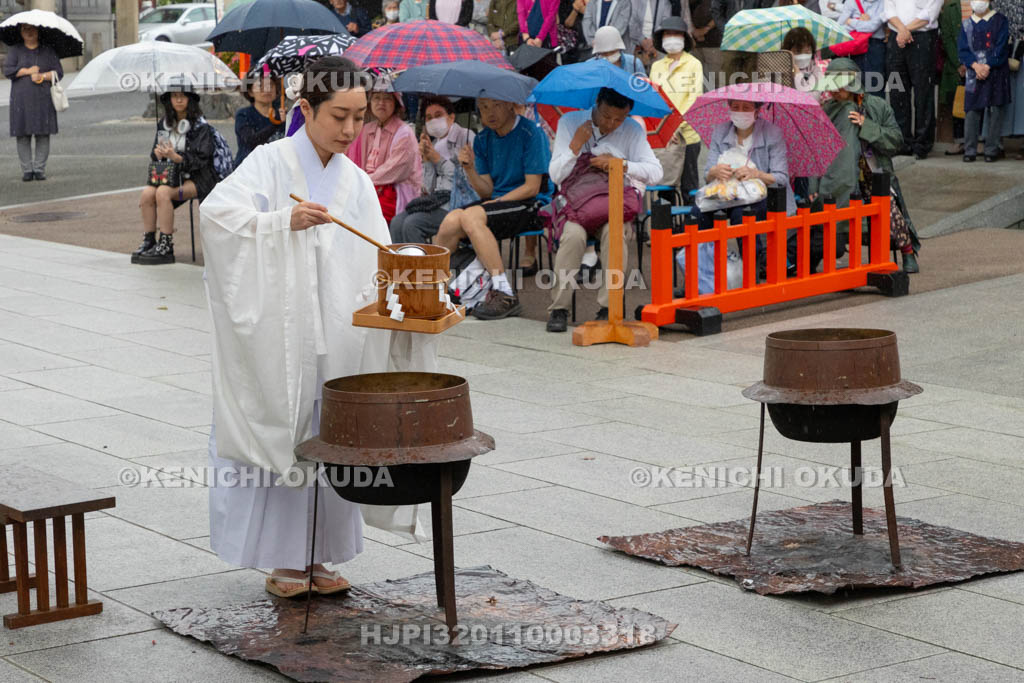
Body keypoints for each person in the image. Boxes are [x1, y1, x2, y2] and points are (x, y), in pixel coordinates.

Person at [200, 56, 433, 598]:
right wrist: (281, 222)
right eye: (338, 116)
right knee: (290, 431)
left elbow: (378, 253)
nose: (350, 130)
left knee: (335, 431)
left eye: (359, 117)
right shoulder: (271, 161)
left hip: (341, 330)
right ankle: (284, 559)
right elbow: (219, 217)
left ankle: (322, 554)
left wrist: (413, 292)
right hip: (284, 328)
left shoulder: (353, 178)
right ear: (305, 109)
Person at [546, 88, 662, 332]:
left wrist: (620, 164)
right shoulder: (570, 122)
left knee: (616, 233)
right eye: (606, 116)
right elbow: (556, 175)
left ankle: (609, 307)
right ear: (596, 104)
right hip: (578, 204)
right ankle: (559, 308)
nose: (611, 124)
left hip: (613, 202)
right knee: (572, 237)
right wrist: (575, 147)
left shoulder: (632, 129)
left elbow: (655, 172)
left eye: (618, 119)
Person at [433, 97, 552, 320]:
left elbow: (532, 187)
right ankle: (436, 286)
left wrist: (497, 202)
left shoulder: (531, 133)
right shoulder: (484, 138)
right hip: (498, 202)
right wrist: (470, 169)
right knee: (452, 220)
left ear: (509, 104)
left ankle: (505, 292)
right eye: (483, 108)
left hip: (531, 204)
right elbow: (486, 190)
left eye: (496, 105)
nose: (490, 113)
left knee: (471, 217)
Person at [808, 58, 920, 272]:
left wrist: (866, 126)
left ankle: (907, 252)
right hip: (839, 174)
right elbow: (817, 151)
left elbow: (896, 140)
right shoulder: (827, 110)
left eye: (838, 86)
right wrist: (814, 186)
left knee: (891, 213)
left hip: (872, 172)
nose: (834, 92)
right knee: (828, 220)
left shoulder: (877, 106)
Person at [134, 89, 219, 266]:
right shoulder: (164, 124)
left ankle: (166, 245)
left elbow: (202, 160)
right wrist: (158, 154)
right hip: (171, 177)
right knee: (147, 194)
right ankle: (149, 240)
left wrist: (177, 158)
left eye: (183, 96)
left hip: (198, 179)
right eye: (174, 96)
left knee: (163, 193)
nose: (179, 100)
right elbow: (154, 154)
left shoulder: (200, 127)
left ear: (190, 99)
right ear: (169, 100)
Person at [390, 96, 475, 243]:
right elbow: (428, 189)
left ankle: (422, 265)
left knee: (412, 224)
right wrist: (427, 160)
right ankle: (402, 264)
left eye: (438, 115)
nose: (433, 121)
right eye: (429, 118)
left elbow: (463, 180)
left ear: (451, 116)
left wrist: (437, 159)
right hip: (435, 202)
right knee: (397, 222)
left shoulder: (465, 136)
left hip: (458, 203)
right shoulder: (434, 143)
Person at [346, 81, 423, 224]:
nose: (381, 103)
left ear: (395, 104)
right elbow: (352, 161)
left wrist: (363, 183)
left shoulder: (404, 133)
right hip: (369, 188)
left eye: (387, 98)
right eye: (376, 98)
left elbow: (394, 171)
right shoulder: (366, 130)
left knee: (362, 213)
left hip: (394, 192)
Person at [649, 17, 704, 199]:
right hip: (665, 136)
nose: (671, 37)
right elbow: (654, 99)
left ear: (684, 38)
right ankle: (668, 227)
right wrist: (665, 128)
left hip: (687, 134)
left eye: (676, 34)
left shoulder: (694, 64)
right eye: (667, 34)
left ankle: (691, 225)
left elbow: (694, 98)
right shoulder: (657, 66)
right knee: (666, 187)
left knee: (689, 187)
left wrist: (675, 126)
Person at [3, 24, 62, 182]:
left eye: (32, 29)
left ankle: (39, 169)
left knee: (43, 134)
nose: (29, 32)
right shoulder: (15, 50)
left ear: (38, 31)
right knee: (22, 135)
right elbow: (8, 70)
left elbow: (58, 72)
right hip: (20, 99)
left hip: (43, 98)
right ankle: (27, 170)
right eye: (25, 29)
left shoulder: (48, 50)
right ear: (21, 33)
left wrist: (42, 76)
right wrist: (28, 71)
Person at [884, 0, 943, 159]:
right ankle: (902, 141)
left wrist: (905, 30)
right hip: (896, 39)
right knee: (897, 91)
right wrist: (902, 31)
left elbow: (930, 13)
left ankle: (922, 144)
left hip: (923, 38)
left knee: (923, 92)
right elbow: (889, 11)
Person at [959, 0, 1012, 163]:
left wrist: (988, 65)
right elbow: (963, 50)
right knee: (972, 110)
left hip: (996, 72)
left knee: (996, 109)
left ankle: (992, 149)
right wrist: (975, 66)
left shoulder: (1000, 20)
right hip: (974, 73)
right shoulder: (966, 24)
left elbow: (1002, 47)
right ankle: (970, 150)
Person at [234, 71, 285, 168]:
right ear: (250, 92)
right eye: (260, 86)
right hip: (249, 170)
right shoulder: (243, 115)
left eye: (270, 85)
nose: (266, 90)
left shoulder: (283, 116)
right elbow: (251, 141)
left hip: (277, 170)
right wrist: (276, 123)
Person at [713, 0, 772, 83]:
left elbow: (765, 9)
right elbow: (716, 11)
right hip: (731, 39)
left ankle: (746, 95)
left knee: (750, 77)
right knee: (728, 76)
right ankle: (727, 95)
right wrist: (727, 31)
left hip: (752, 38)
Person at [836, 0, 887, 96]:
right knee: (857, 86)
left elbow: (873, 26)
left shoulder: (883, 2)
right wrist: (860, 21)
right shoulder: (851, 2)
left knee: (875, 86)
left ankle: (876, 110)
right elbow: (840, 27)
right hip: (857, 46)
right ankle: (859, 110)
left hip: (876, 46)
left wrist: (851, 21)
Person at [938, 0, 965, 155]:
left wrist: (972, 62)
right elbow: (946, 39)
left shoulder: (985, 6)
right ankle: (959, 140)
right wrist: (959, 63)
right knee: (957, 101)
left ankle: (979, 140)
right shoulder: (950, 8)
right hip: (956, 65)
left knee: (978, 102)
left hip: (978, 64)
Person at [690, 0, 725, 88]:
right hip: (694, 42)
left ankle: (716, 101)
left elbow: (722, 12)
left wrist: (706, 29)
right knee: (694, 81)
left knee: (715, 80)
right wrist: (693, 31)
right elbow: (684, 11)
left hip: (714, 42)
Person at [781, 26, 824, 97]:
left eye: (807, 51)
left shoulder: (816, 71)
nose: (803, 55)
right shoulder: (780, 69)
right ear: (787, 51)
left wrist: (797, 74)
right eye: (798, 51)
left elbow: (814, 98)